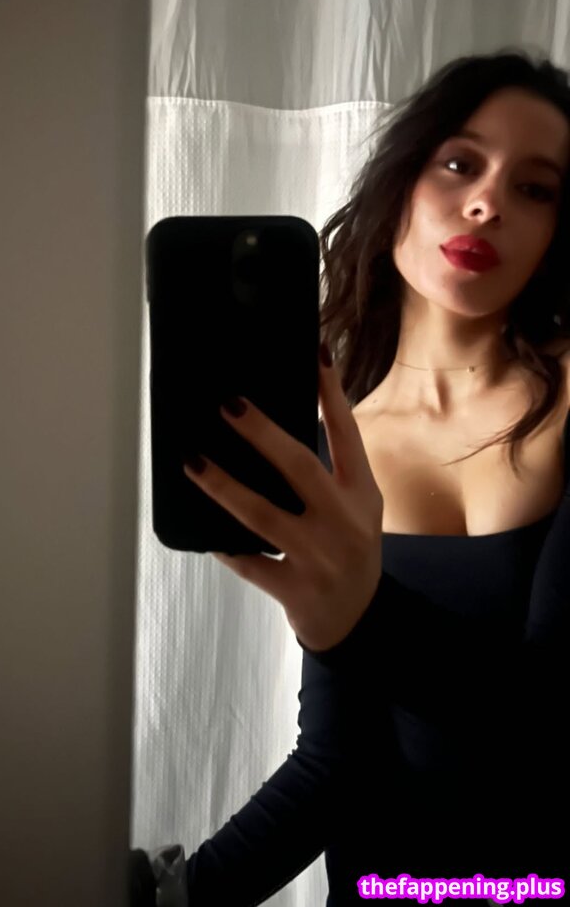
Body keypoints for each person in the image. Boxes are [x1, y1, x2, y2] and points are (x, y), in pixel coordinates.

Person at [129, 48, 570, 907]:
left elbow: (551, 727)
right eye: (460, 164)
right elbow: (336, 762)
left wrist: (360, 619)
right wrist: (184, 894)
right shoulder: (332, 453)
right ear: (401, 181)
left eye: (534, 188)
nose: (486, 202)